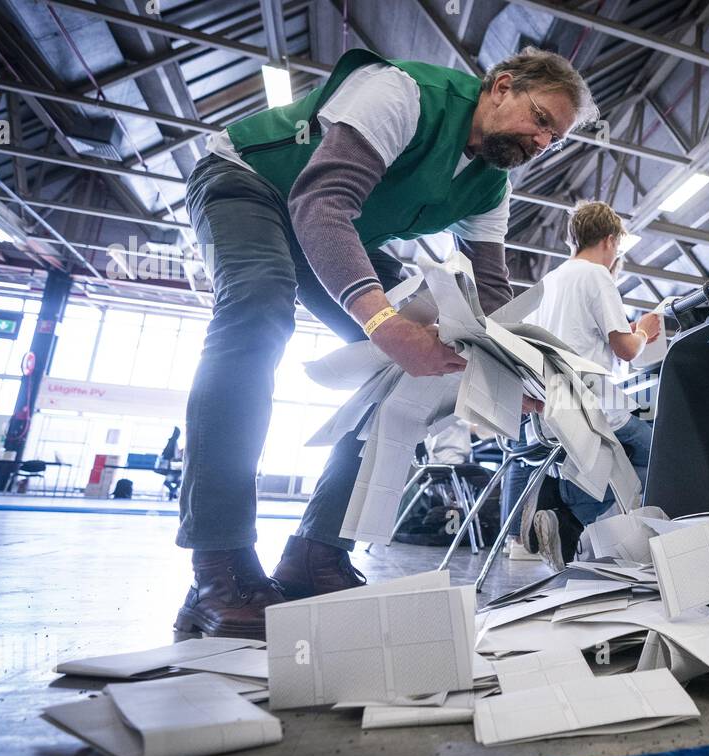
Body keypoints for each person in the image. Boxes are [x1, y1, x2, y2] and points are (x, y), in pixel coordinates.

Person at [174, 46, 596, 638]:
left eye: (555, 139)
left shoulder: (491, 187)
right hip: (251, 184)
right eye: (542, 120)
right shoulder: (403, 95)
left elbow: (492, 295)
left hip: (338, 227)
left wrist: (511, 373)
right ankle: (218, 569)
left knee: (435, 351)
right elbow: (321, 201)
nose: (542, 142)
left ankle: (316, 550)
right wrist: (383, 324)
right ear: (501, 87)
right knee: (257, 308)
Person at [520, 200, 661, 569]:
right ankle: (572, 511)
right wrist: (644, 331)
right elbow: (627, 350)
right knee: (653, 449)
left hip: (553, 410)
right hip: (593, 409)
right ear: (611, 241)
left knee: (615, 457)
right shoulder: (598, 276)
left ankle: (564, 510)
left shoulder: (549, 282)